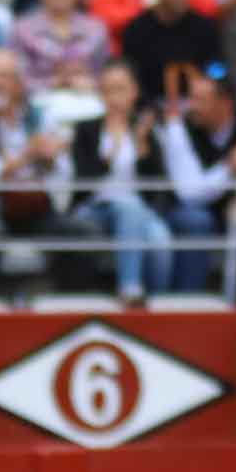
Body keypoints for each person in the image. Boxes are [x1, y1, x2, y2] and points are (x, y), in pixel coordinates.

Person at [0, 44, 77, 293]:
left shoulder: (41, 116)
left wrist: (49, 160)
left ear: (19, 83)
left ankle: (66, 301)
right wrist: (24, 158)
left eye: (1, 76)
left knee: (80, 232)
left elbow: (65, 175)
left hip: (35, 207)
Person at [162, 69, 236, 294]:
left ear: (225, 103)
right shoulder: (178, 130)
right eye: (191, 98)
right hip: (195, 211)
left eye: (200, 100)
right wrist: (229, 170)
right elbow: (189, 194)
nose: (191, 107)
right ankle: (188, 298)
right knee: (194, 220)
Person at [75, 56, 172, 298]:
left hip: (138, 210)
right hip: (95, 208)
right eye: (107, 90)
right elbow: (82, 180)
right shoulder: (86, 130)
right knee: (129, 207)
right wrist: (110, 154)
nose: (114, 98)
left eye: (120, 90)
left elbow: (156, 188)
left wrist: (142, 149)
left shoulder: (146, 132)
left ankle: (158, 300)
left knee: (160, 239)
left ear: (134, 92)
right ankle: (130, 289)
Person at [120, 0, 221, 106]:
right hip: (153, 108)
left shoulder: (205, 28)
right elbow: (133, 78)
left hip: (200, 107)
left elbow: (218, 67)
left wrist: (211, 81)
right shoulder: (136, 31)